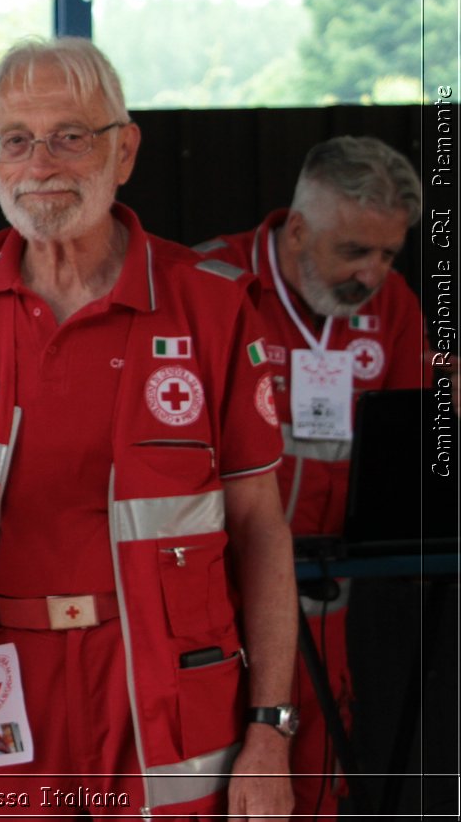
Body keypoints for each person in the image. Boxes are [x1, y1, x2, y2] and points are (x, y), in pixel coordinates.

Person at [0, 38, 297, 820]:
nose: (41, 164)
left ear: (124, 148)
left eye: (71, 134)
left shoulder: (212, 304)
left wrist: (271, 729)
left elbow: (261, 527)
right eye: (16, 140)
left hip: (168, 694)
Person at [193, 135, 426, 819]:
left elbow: (408, 448)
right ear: (296, 228)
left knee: (313, 791)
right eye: (354, 250)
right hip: (214, 602)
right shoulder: (209, 283)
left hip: (327, 601)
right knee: (213, 785)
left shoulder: (396, 308)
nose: (373, 273)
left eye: (388, 253)